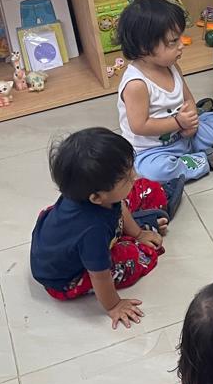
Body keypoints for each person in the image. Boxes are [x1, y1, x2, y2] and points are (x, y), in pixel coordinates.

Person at [29, 127, 166, 329]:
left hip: (72, 237)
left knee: (150, 189)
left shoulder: (89, 192)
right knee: (136, 255)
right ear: (96, 197)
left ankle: (142, 221)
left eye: (130, 169)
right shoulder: (92, 231)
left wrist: (138, 233)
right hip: (67, 278)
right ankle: (147, 221)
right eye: (127, 178)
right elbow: (99, 275)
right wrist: (114, 305)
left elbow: (119, 204)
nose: (134, 175)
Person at [116, 0, 213, 182]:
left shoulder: (172, 66)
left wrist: (191, 123)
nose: (181, 45)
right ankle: (208, 160)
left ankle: (200, 116)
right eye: (173, 41)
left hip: (184, 134)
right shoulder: (136, 84)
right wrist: (178, 123)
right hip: (152, 149)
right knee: (155, 173)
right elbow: (139, 126)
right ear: (144, 47)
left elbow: (188, 99)